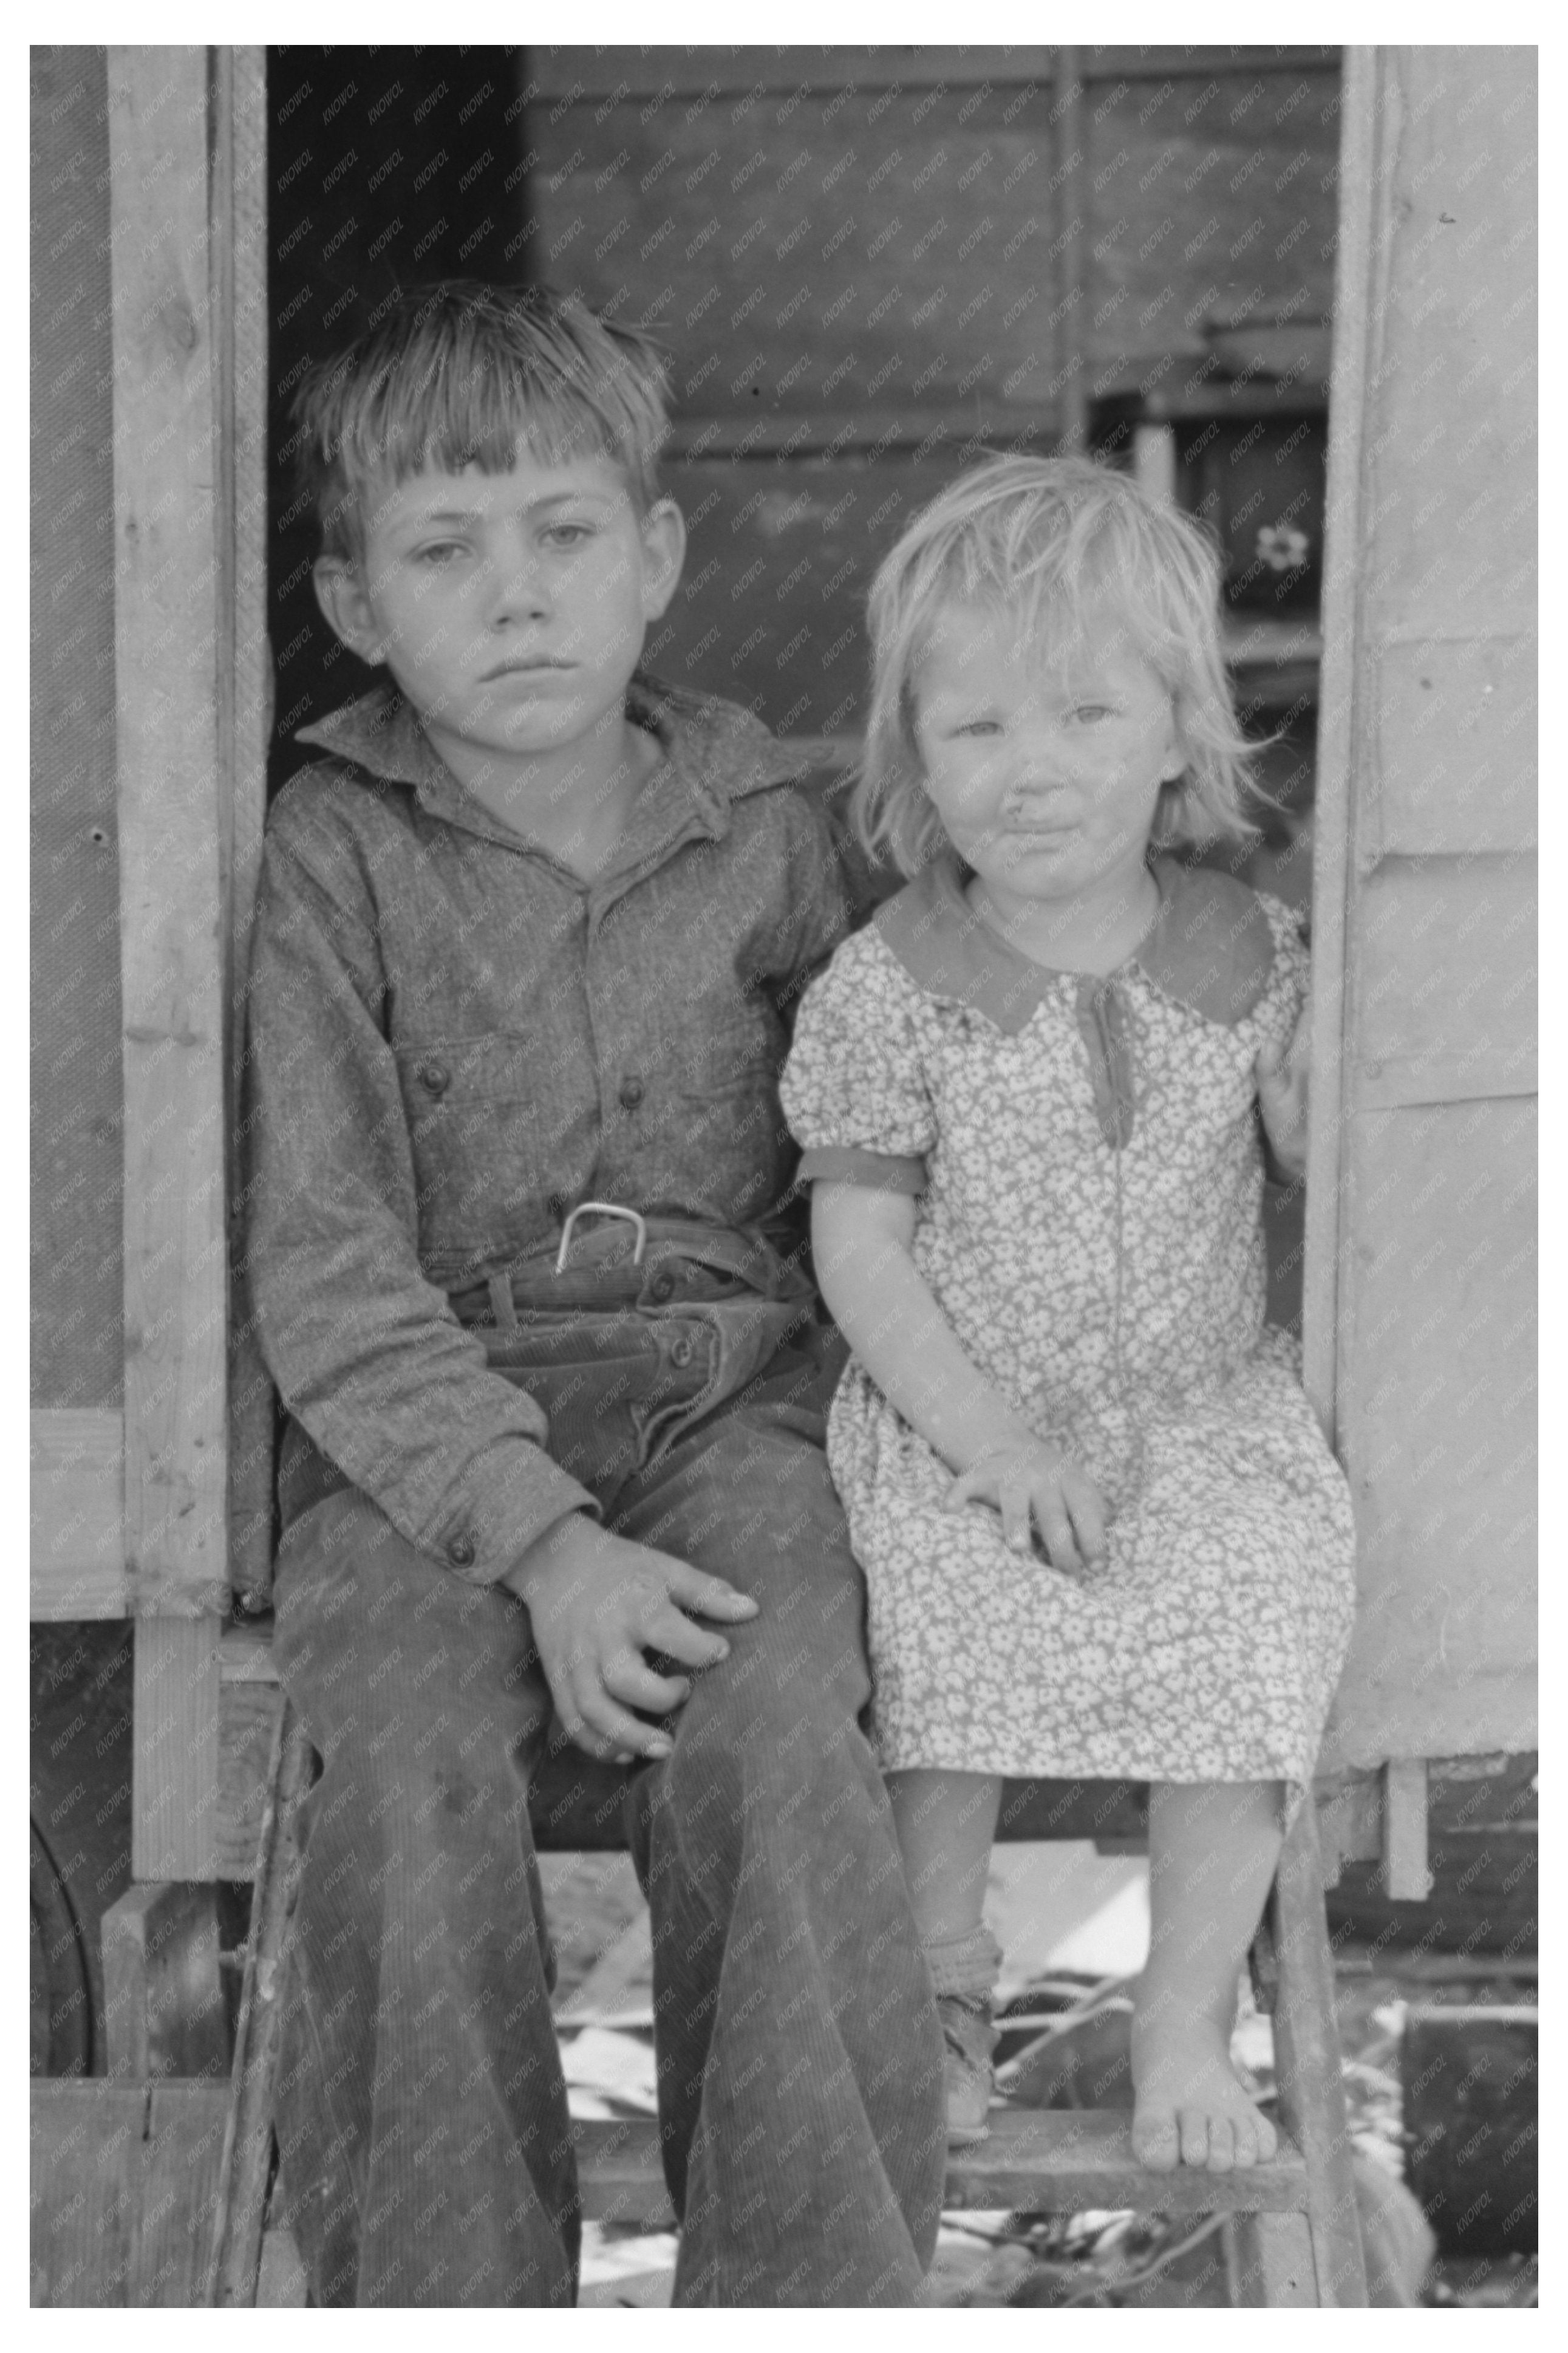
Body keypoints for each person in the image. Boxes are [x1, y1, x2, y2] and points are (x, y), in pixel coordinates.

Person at [245, 281, 945, 2307]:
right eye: (444, 552)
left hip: (734, 1406)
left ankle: (810, 2299)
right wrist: (539, 1543)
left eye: (565, 535)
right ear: (356, 606)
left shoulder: (780, 835)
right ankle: (446, 2302)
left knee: (783, 1701)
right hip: (427, 1432)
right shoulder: (333, 850)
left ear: (656, 559)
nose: (517, 596)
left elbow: (898, 1156)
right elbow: (322, 1253)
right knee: (387, 1732)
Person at [780, 454, 1357, 2166]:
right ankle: (942, 1992)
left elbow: (1322, 1158)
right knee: (936, 1615)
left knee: (1255, 1596)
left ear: (1180, 731)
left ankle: (1183, 2020)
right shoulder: (888, 979)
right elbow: (859, 1248)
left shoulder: (1253, 950)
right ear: (914, 756)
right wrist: (987, 1438)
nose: (1031, 771)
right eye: (978, 732)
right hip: (967, 1406)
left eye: (1087, 714)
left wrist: (1343, 1050)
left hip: (1195, 1400)